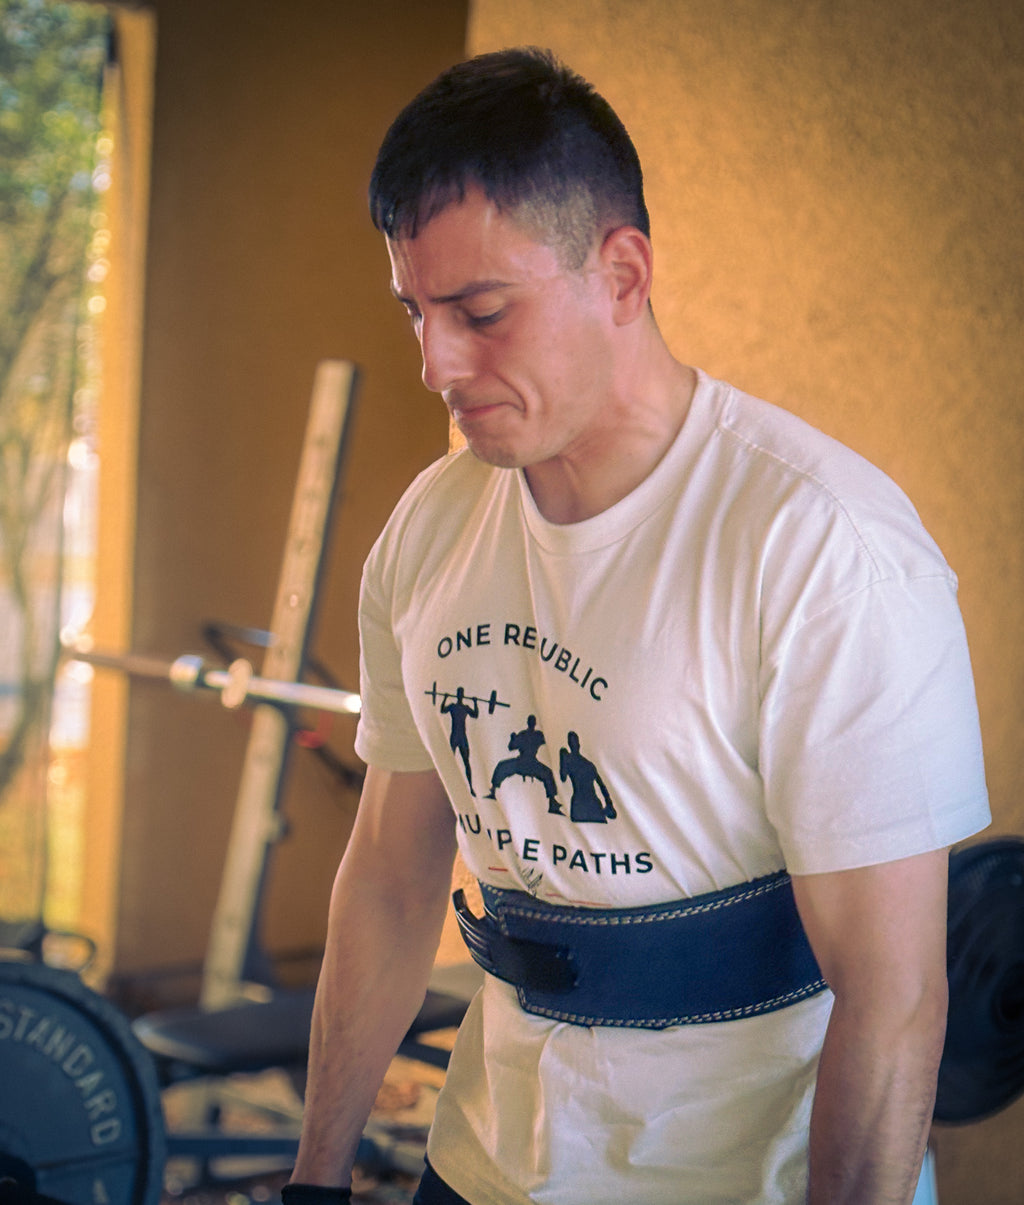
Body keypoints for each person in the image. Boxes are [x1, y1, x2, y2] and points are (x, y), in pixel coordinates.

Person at [287, 47, 990, 1205]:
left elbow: (896, 994)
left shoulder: (824, 548)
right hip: (478, 1165)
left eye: (480, 311)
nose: (435, 363)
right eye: (416, 312)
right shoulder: (429, 528)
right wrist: (312, 1180)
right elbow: (389, 875)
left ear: (620, 273)